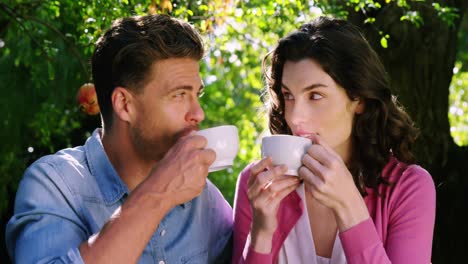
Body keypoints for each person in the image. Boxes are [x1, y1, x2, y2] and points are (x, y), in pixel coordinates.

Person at [6, 14, 232, 263]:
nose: (198, 113)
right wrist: (159, 193)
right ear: (124, 105)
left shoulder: (205, 200)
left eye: (196, 94)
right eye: (179, 95)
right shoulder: (55, 184)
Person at [233, 16, 436, 264]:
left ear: (359, 99)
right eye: (288, 95)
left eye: (315, 95)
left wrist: (350, 208)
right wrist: (261, 234)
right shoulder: (257, 185)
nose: (295, 117)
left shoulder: (408, 187)